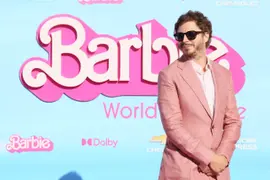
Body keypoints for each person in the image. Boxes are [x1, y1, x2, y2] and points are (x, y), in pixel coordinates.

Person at [157, 10, 242, 180]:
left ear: (205, 36)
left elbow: (233, 121)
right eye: (180, 36)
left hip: (218, 171)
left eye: (191, 34)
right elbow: (173, 127)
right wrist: (210, 158)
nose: (185, 40)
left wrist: (222, 158)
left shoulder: (223, 74)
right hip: (183, 169)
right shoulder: (169, 75)